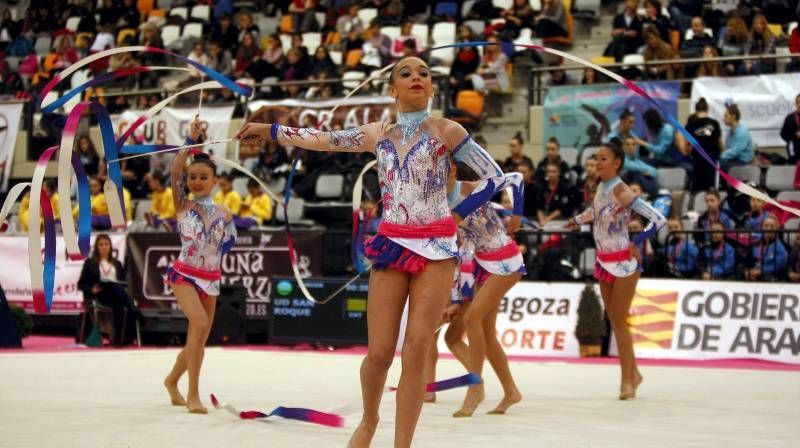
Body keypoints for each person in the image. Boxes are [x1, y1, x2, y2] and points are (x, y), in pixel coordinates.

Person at [235, 56, 511, 448]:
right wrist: (269, 129)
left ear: (431, 88)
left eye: (424, 74)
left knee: (416, 349)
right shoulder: (377, 134)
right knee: (379, 353)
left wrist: (456, 212)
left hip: (435, 247)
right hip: (391, 244)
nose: (416, 77)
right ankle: (369, 420)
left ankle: (403, 444)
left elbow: (495, 177)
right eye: (405, 73)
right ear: (392, 90)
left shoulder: (448, 131)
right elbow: (323, 138)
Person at [567, 142, 666, 400]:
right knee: (615, 320)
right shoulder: (602, 186)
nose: (597, 163)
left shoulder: (622, 190)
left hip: (623, 263)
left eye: (603, 158)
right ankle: (634, 374)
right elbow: (597, 211)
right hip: (604, 261)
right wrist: (577, 221)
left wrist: (638, 240)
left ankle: (627, 381)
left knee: (619, 322)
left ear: (617, 163)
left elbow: (658, 218)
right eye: (596, 158)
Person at [164, 119, 237, 414]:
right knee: (200, 325)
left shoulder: (224, 212)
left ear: (214, 181)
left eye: (202, 177)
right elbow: (174, 170)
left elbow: (228, 242)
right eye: (192, 177)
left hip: (212, 278)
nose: (195, 181)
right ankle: (193, 394)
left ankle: (171, 381)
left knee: (198, 338)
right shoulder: (183, 205)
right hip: (184, 275)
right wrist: (189, 141)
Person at [447, 166, 525, 417]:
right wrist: (457, 297)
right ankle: (511, 391)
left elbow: (516, 178)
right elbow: (460, 254)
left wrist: (518, 213)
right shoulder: (438, 203)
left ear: (453, 170)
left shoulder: (470, 188)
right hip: (482, 263)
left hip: (505, 259)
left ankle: (475, 387)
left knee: (472, 319)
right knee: (488, 335)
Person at [78, 234, 142, 346]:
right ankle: (135, 311)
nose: (104, 247)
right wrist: (92, 289)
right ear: (96, 247)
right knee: (116, 289)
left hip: (115, 296)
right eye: (101, 244)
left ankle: (117, 340)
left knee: (118, 296)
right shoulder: (90, 263)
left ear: (110, 246)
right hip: (99, 295)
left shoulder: (117, 264)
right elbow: (81, 284)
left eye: (106, 244)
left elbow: (123, 283)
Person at [683, 98, 723, 192]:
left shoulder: (691, 124)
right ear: (707, 109)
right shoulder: (715, 123)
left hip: (697, 160)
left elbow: (686, 147)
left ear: (696, 110)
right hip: (711, 159)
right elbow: (720, 144)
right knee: (711, 189)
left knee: (697, 190)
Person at [745, 214, 788, 281]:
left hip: (770, 276)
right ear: (762, 227)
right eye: (766, 226)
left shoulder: (780, 247)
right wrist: (748, 271)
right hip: (754, 273)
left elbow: (778, 266)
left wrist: (761, 271)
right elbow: (749, 260)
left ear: (777, 228)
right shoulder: (755, 242)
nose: (768, 228)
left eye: (772, 226)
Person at [534, 163, 572, 227]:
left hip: (559, 220)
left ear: (559, 173)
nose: (551, 174)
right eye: (549, 171)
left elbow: (561, 209)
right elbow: (539, 207)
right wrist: (541, 220)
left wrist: (547, 220)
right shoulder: (542, 187)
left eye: (554, 171)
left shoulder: (565, 188)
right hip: (543, 219)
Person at [720, 103, 754, 171]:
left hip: (742, 161)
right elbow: (728, 149)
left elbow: (736, 152)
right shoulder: (730, 131)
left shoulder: (742, 132)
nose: (724, 119)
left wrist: (721, 156)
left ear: (733, 116)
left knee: (720, 166)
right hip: (734, 159)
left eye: (726, 116)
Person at [779, 93, 800, 164]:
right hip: (794, 152)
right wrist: (795, 135)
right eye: (798, 102)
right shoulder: (790, 118)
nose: (799, 104)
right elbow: (783, 134)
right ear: (795, 104)